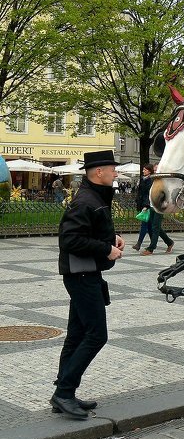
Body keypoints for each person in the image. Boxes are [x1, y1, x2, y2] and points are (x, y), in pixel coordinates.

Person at [53, 149, 125, 420]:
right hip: (82, 275)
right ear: (98, 172)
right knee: (97, 334)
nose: (115, 172)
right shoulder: (86, 200)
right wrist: (105, 249)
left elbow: (88, 231)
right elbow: (69, 240)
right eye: (112, 168)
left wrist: (113, 238)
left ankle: (62, 392)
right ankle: (64, 392)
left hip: (84, 273)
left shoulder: (94, 197)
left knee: (76, 334)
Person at [140, 164, 174, 256]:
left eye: (157, 170)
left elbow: (167, 193)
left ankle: (151, 248)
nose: (155, 172)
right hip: (152, 205)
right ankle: (169, 242)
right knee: (155, 227)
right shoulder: (152, 180)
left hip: (160, 206)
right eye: (154, 170)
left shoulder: (163, 181)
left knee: (155, 227)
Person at [133, 165, 154, 251]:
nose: (143, 171)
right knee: (149, 226)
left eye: (145, 170)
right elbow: (139, 192)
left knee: (144, 224)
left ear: (149, 171)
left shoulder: (151, 180)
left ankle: (139, 244)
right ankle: (163, 242)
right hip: (141, 203)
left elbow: (149, 194)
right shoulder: (142, 179)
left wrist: (146, 205)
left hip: (147, 204)